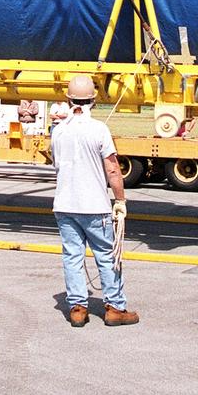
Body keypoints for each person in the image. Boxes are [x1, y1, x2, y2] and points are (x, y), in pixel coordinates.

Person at [51, 74, 139, 328]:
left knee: (72, 256)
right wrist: (120, 200)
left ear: (68, 100)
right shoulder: (99, 129)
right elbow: (112, 170)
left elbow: (57, 164)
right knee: (107, 255)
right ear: (94, 100)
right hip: (95, 205)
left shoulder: (58, 132)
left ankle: (77, 309)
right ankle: (114, 308)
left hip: (65, 205)